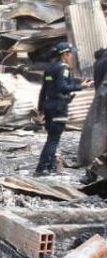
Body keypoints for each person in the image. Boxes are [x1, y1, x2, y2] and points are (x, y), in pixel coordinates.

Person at [37, 42, 92, 175]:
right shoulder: (64, 68)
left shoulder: (50, 69)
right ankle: (42, 168)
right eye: (71, 54)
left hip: (49, 106)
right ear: (65, 55)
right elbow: (62, 87)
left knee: (51, 137)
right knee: (54, 139)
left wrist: (40, 107)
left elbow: (45, 89)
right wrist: (81, 87)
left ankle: (49, 166)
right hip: (59, 108)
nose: (72, 56)